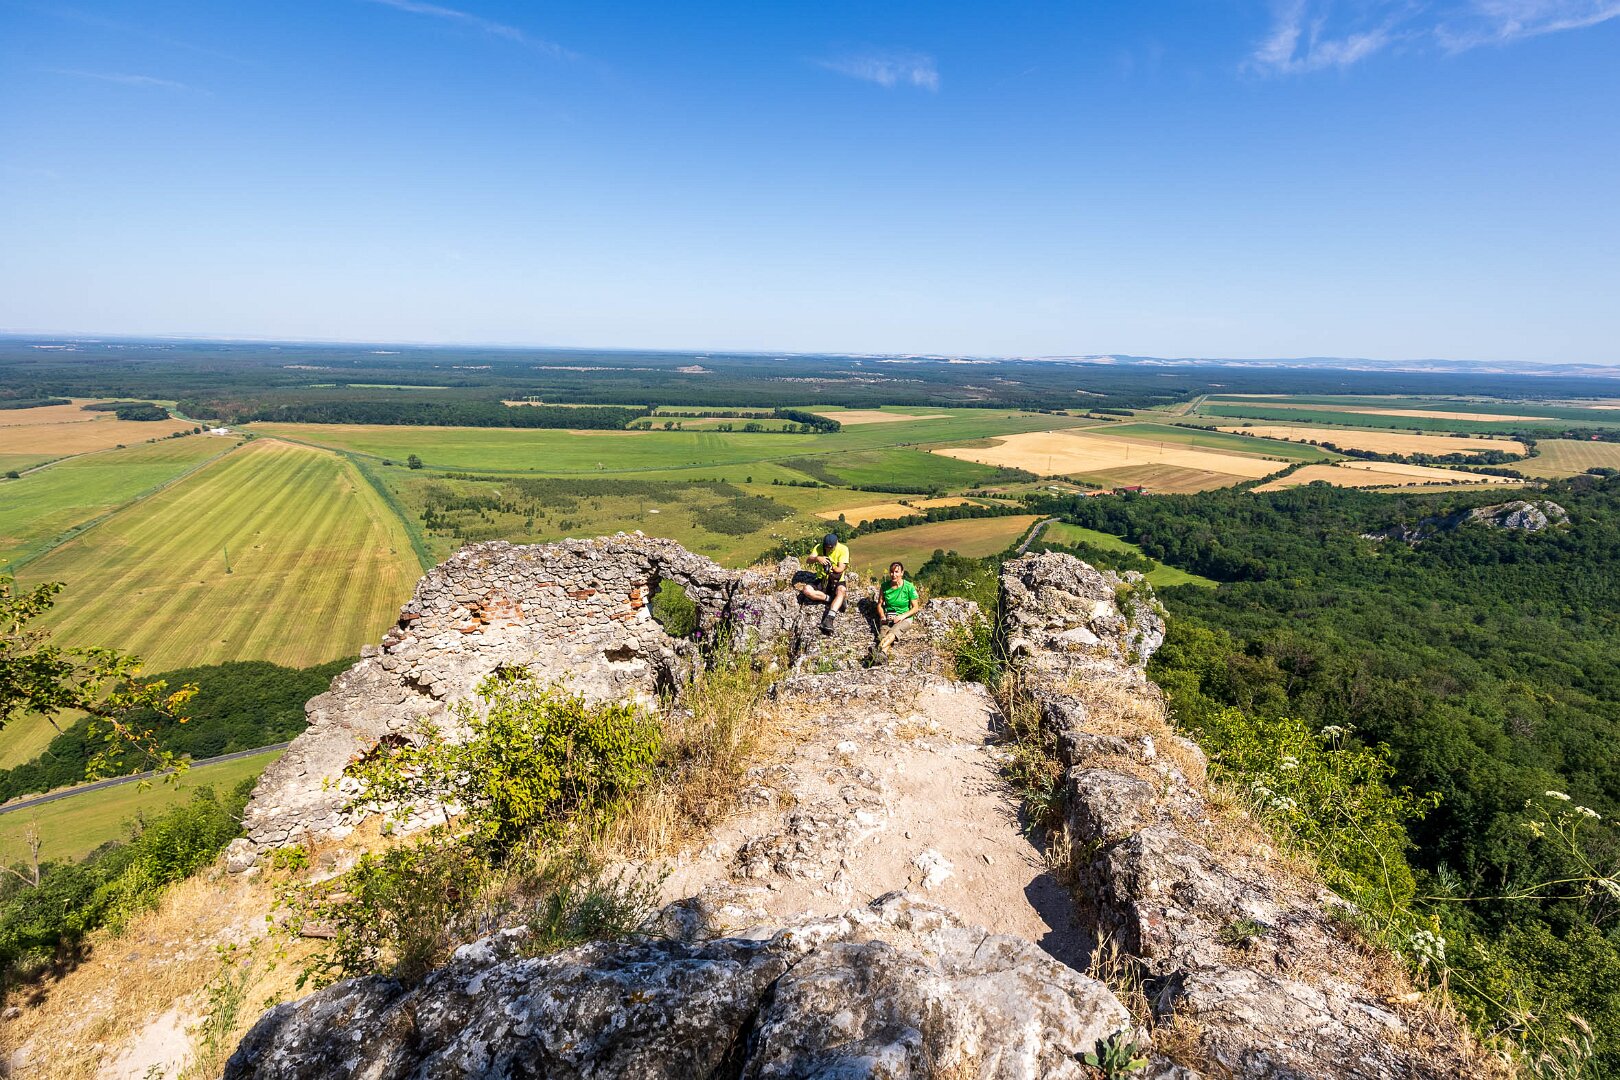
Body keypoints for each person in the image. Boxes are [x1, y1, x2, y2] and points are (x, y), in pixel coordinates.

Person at [796, 532, 849, 633]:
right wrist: (817, 558)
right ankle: (832, 600)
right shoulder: (818, 547)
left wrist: (831, 566)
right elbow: (808, 560)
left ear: (836, 543)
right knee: (807, 590)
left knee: (841, 590)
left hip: (836, 580)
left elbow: (840, 569)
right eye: (826, 547)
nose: (828, 549)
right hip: (821, 579)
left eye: (831, 547)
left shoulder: (843, 549)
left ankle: (830, 618)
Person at [875, 561, 921, 654]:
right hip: (888, 618)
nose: (893, 575)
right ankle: (882, 655)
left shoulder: (909, 587)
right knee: (883, 635)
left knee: (893, 632)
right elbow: (879, 604)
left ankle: (877, 651)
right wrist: (882, 616)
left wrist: (902, 617)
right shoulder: (884, 586)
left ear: (902, 573)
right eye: (892, 572)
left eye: (896, 572)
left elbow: (915, 607)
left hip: (904, 618)